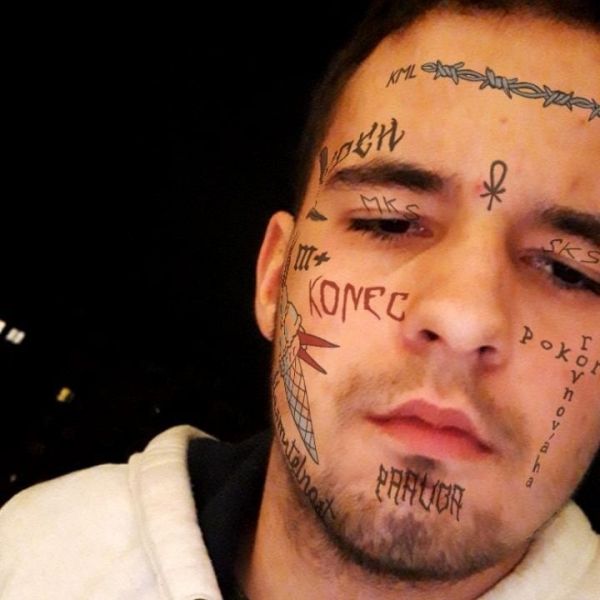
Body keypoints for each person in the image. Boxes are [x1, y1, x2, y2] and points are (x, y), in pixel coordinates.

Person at [1, 0, 599, 598]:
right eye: (387, 222)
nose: (464, 319)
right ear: (274, 279)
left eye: (570, 272)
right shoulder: (29, 557)